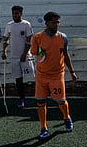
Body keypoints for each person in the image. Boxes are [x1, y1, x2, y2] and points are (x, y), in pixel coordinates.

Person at [30, 11, 77, 140]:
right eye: (53, 22)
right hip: (41, 74)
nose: (56, 24)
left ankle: (66, 117)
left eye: (58, 22)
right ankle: (43, 128)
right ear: (46, 23)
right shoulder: (37, 37)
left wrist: (72, 72)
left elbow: (65, 55)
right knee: (40, 101)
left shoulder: (62, 37)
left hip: (57, 75)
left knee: (60, 101)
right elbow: (33, 52)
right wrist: (40, 50)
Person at [1, 5, 34, 109]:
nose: (14, 15)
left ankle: (38, 96)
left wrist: (24, 54)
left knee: (31, 77)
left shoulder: (26, 24)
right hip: (14, 57)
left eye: (17, 13)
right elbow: (6, 39)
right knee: (18, 80)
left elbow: (29, 41)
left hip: (25, 56)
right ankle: (22, 99)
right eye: (13, 13)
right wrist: (4, 51)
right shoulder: (9, 25)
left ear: (21, 14)